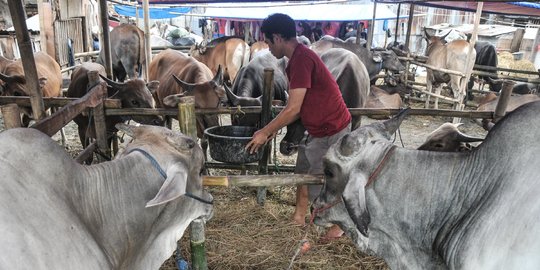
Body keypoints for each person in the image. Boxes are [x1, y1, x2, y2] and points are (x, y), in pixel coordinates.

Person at [245, 13, 351, 241]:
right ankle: (298, 217)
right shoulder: (298, 60)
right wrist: (273, 129)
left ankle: (339, 225)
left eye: (268, 41)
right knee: (302, 172)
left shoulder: (302, 60)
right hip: (315, 128)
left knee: (329, 179)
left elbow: (293, 108)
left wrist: (264, 131)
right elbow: (298, 107)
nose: (268, 47)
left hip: (332, 128)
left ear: (277, 37)